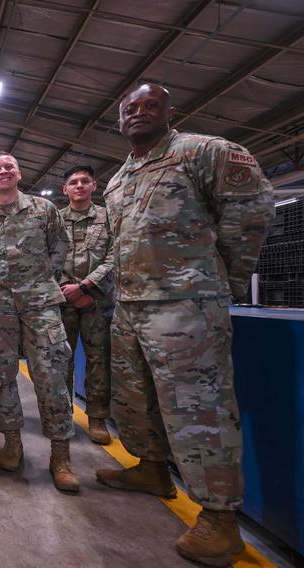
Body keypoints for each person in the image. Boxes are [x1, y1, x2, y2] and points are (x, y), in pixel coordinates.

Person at [96, 83, 274, 566]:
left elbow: (252, 210)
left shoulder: (204, 152)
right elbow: (119, 244)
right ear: (119, 121)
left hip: (187, 306)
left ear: (170, 111)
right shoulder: (119, 177)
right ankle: (151, 467)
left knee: (199, 411)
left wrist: (224, 279)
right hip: (132, 305)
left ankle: (220, 519)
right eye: (130, 108)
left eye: (150, 105)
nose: (139, 113)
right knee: (134, 399)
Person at [0, 151, 79, 493]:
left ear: (19, 173)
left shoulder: (44, 210)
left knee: (51, 375)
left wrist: (42, 281)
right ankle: (12, 442)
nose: (3, 171)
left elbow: (60, 247)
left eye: (8, 167)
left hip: (41, 305)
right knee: (1, 376)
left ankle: (60, 456)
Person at [57, 165, 114, 445]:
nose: (79, 185)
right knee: (61, 360)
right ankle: (63, 414)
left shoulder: (108, 218)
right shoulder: (54, 220)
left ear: (94, 185)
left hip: (97, 300)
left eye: (84, 181)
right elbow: (46, 257)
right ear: (64, 189)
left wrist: (86, 286)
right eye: (73, 182)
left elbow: (115, 256)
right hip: (63, 299)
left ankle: (98, 418)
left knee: (98, 360)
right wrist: (67, 289)